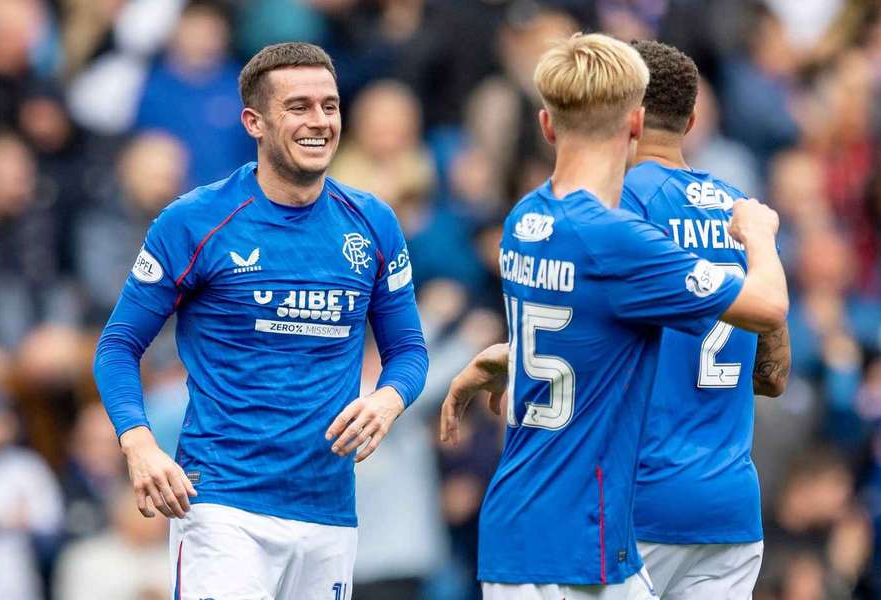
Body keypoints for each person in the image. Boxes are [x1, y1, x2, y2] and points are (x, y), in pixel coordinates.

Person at [439, 32, 788, 599]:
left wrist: (516, 357)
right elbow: (771, 354)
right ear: (658, 119)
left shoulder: (526, 219)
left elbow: (583, 324)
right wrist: (762, 237)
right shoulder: (694, 218)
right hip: (668, 510)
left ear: (547, 125)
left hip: (592, 520)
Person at [93, 42, 428, 600]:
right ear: (255, 121)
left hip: (329, 511)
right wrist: (140, 444)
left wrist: (388, 399)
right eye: (298, 107)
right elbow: (117, 346)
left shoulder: (373, 222)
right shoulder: (195, 221)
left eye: (330, 105)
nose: (319, 121)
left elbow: (410, 349)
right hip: (223, 507)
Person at [621, 40, 790, 600]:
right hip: (730, 509)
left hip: (638, 504)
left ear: (627, 115)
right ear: (692, 120)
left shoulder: (620, 204)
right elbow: (773, 375)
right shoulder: (743, 210)